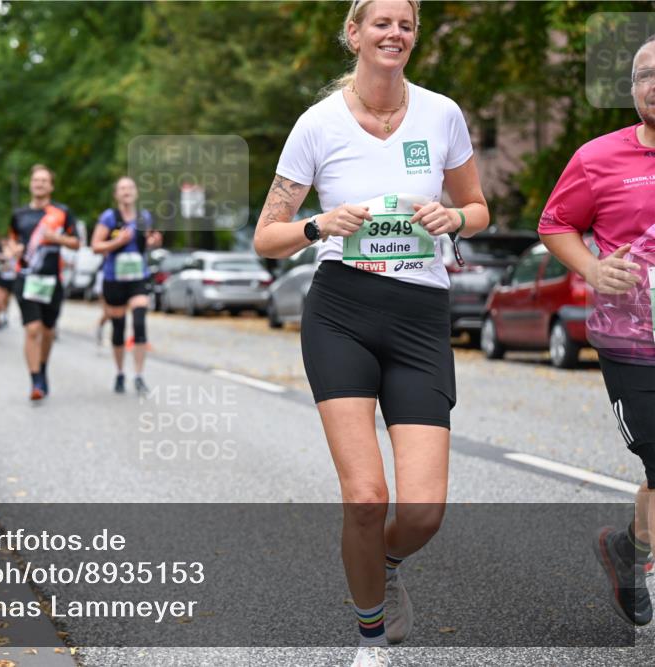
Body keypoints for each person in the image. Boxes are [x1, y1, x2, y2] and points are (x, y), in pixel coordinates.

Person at [252, 2, 489, 665]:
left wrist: (454, 219)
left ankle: (383, 562)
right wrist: (317, 225)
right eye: (381, 23)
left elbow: (478, 206)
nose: (395, 33)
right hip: (342, 312)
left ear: (414, 37)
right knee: (365, 497)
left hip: (419, 316)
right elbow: (267, 236)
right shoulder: (317, 124)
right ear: (354, 34)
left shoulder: (442, 114)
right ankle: (371, 639)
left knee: (422, 511)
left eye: (405, 24)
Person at [538, 34, 655, 628]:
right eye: (645, 75)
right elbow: (555, 223)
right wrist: (592, 268)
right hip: (633, 342)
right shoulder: (598, 158)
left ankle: (628, 549)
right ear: (631, 89)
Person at [9, 164, 81, 400]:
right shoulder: (19, 215)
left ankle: (42, 368)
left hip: (51, 280)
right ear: (30, 184)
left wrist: (56, 238)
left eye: (43, 181)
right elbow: (11, 241)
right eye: (35, 180)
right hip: (26, 277)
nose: (39, 184)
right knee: (33, 328)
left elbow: (76, 243)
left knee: (48, 331)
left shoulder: (62, 212)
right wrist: (14, 250)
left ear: (51, 186)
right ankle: (35, 382)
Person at [91, 176, 163, 394]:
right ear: (116, 194)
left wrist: (153, 242)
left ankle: (139, 375)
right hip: (114, 279)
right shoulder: (109, 217)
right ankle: (120, 373)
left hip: (138, 277)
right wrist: (118, 241)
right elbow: (95, 246)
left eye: (130, 187)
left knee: (139, 323)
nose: (126, 191)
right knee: (119, 327)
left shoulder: (144, 217)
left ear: (136, 193)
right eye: (122, 188)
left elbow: (146, 242)